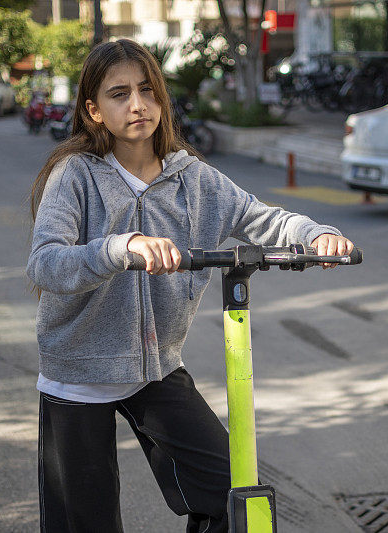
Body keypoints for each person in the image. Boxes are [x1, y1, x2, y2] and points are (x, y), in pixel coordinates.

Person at [26, 39, 354, 533]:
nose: (137, 105)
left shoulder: (193, 180)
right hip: (77, 373)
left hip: (155, 370)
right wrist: (122, 248)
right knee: (85, 523)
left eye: (146, 90)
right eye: (119, 94)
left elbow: (260, 218)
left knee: (233, 498)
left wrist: (316, 234)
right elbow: (46, 264)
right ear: (94, 111)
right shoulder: (76, 175)